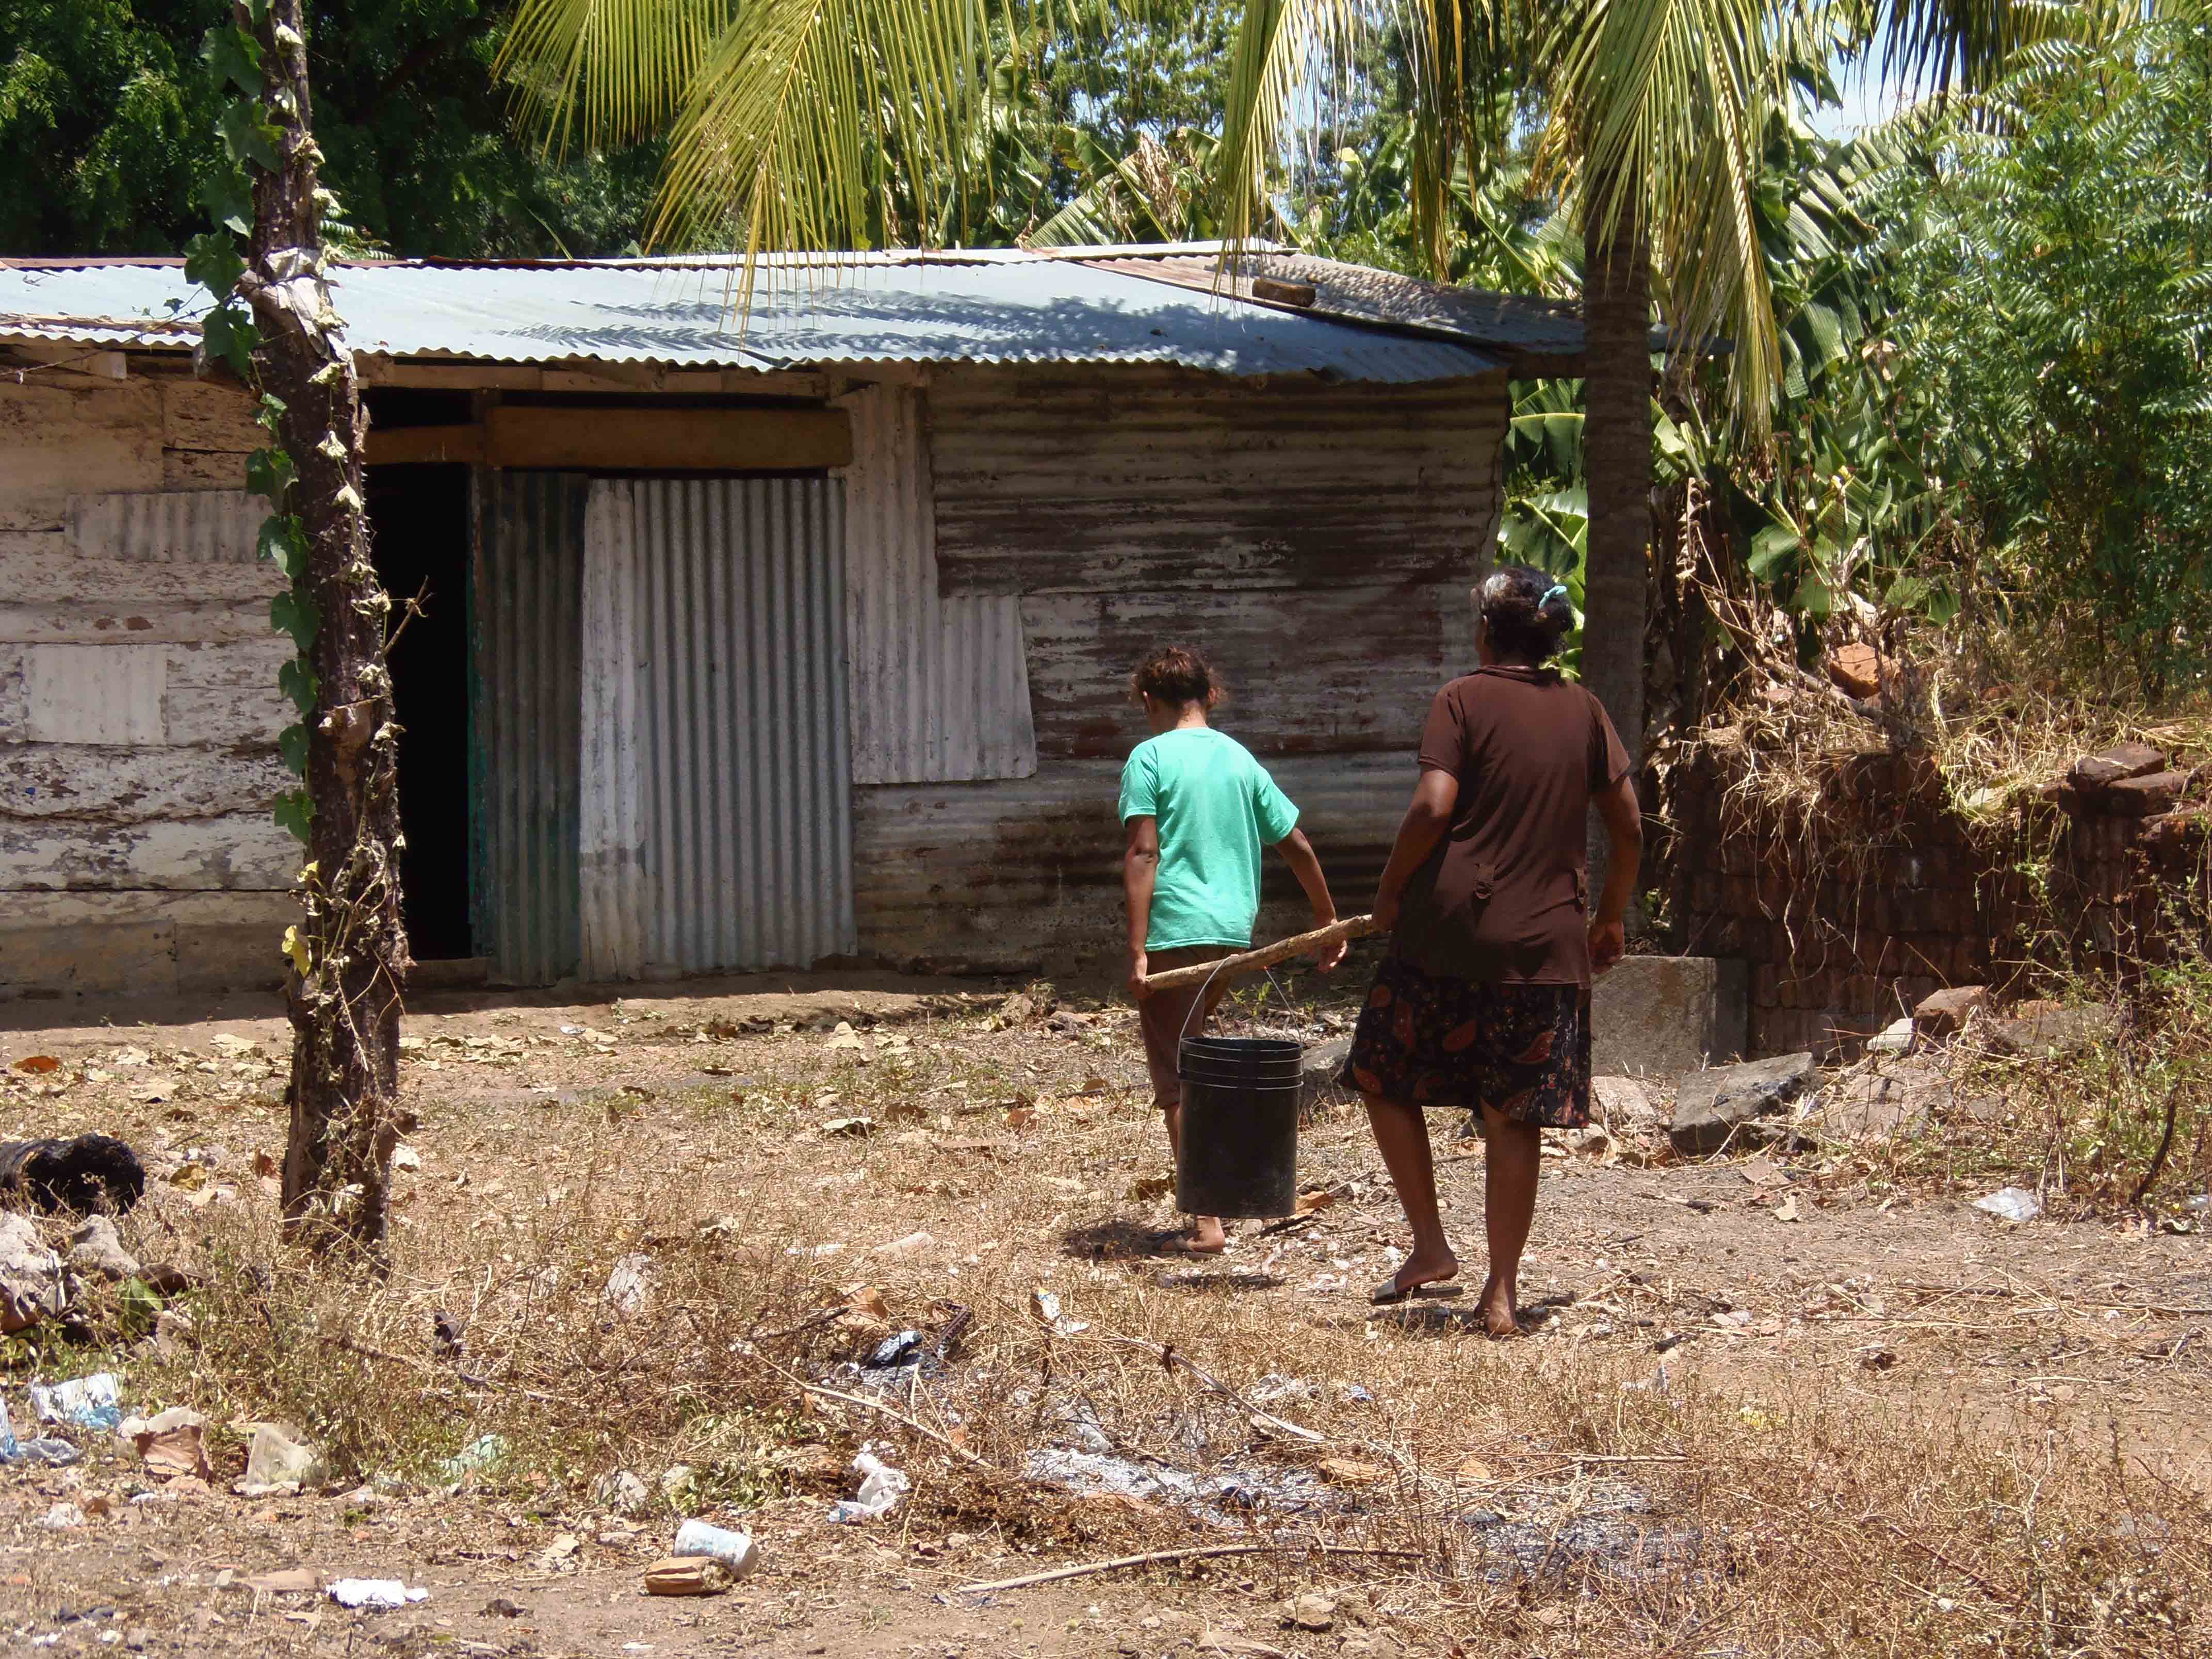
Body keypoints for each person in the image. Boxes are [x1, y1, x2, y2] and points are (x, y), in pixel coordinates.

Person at [1344, 566, 1642, 1333]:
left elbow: (1433, 806)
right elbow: (1631, 825)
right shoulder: (1583, 709)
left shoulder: (1461, 700)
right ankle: (1501, 1292)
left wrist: (1388, 889)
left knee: (1383, 1072)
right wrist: (1610, 918)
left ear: (1484, 631)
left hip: (1448, 934)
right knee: (1513, 1115)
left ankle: (1431, 1245)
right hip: (1547, 940)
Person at [1121, 645, 1346, 1255]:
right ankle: (1230, 1192)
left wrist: (1139, 948)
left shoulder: (1149, 757)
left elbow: (1144, 852)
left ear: (1149, 701)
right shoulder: (1239, 759)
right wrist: (1327, 918)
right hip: (1229, 931)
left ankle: (1208, 1220)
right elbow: (1294, 841)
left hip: (1176, 931)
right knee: (1196, 1058)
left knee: (1175, 1079)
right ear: (1210, 696)